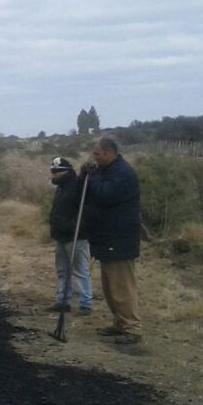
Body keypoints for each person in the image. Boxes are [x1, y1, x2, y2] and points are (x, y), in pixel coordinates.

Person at [81, 137, 142, 345]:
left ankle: (132, 328)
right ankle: (119, 323)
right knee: (110, 287)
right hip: (107, 238)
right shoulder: (107, 171)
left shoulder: (122, 173)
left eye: (97, 154)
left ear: (109, 153)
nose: (94, 158)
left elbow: (105, 194)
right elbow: (93, 193)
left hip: (120, 239)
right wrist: (89, 174)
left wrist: (93, 176)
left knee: (122, 287)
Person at [47, 157, 92, 315]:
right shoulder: (61, 187)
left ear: (64, 172)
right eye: (52, 171)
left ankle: (86, 304)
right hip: (61, 236)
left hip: (76, 236)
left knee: (80, 271)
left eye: (55, 172)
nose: (52, 175)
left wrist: (87, 173)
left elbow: (86, 209)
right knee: (62, 271)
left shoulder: (78, 186)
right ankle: (63, 301)